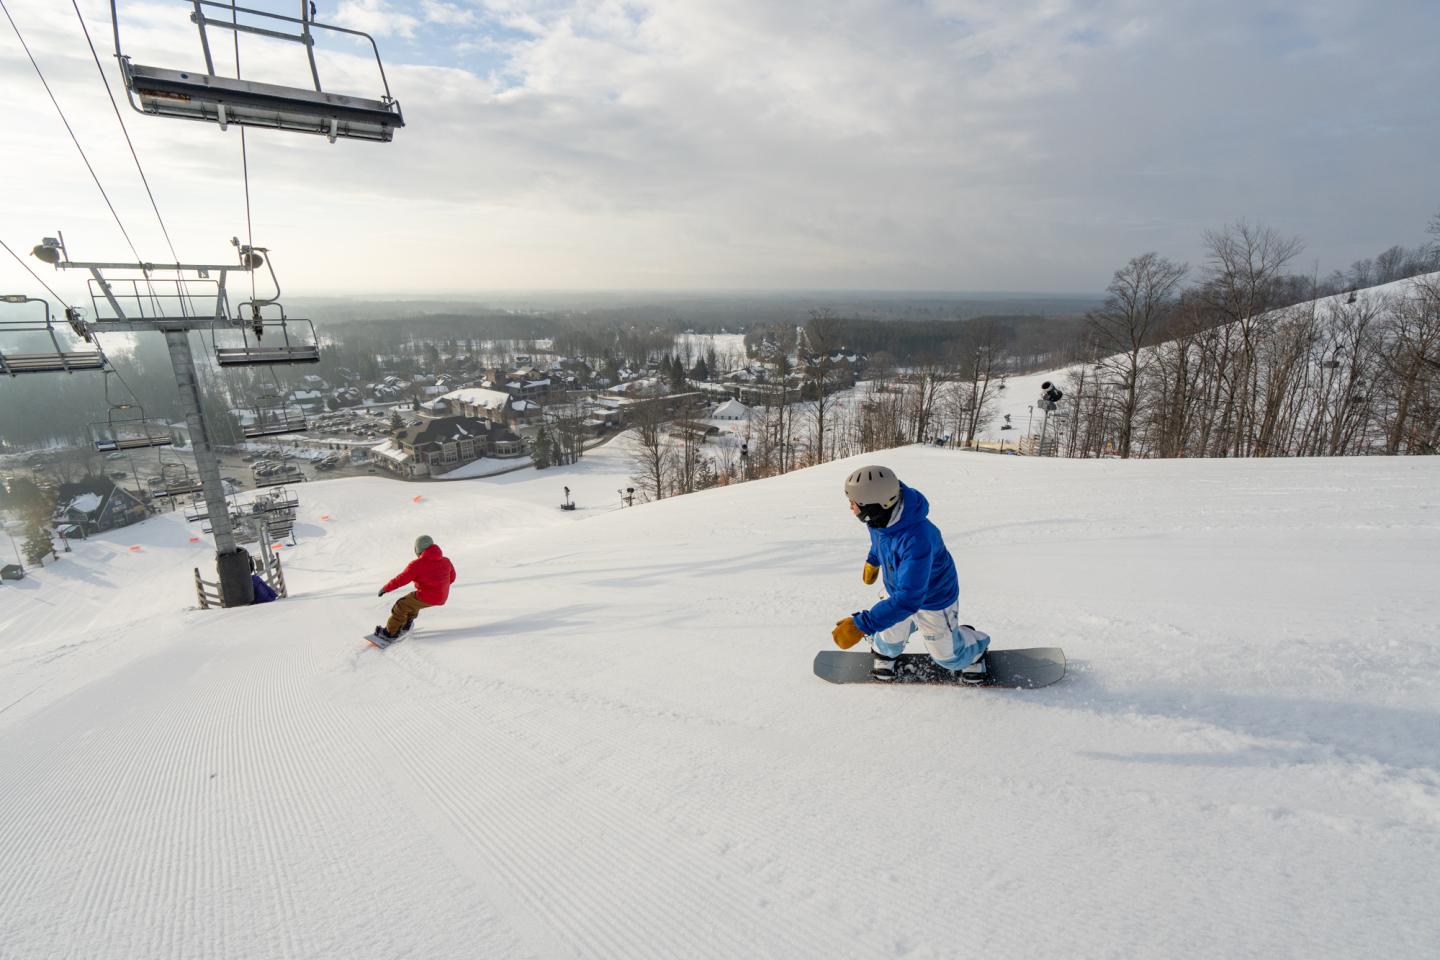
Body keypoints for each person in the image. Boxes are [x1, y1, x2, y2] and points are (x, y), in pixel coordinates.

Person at [830, 465, 989, 682]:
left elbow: (909, 599)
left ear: (873, 507)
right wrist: (873, 561)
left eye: (854, 503)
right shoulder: (882, 518)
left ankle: (973, 647)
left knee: (948, 657)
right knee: (887, 642)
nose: (851, 508)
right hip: (900, 591)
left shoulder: (917, 539)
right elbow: (880, 540)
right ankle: (888, 649)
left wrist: (861, 625)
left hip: (933, 598)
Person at [377, 535, 456, 640]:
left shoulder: (417, 564)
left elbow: (401, 579)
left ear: (418, 550)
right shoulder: (446, 561)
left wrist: (386, 588)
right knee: (412, 601)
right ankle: (406, 625)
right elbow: (452, 577)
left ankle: (390, 633)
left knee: (401, 605)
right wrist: (440, 587)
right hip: (442, 596)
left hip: (429, 596)